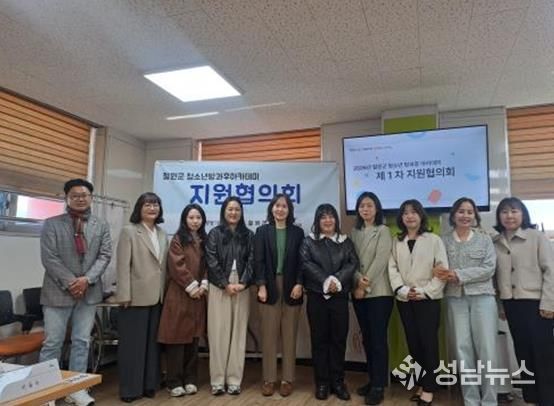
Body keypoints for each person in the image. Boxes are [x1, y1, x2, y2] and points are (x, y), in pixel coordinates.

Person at [39, 178, 112, 406]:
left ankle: (76, 389)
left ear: (91, 197)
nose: (80, 199)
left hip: (89, 292)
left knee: (82, 341)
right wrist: (73, 282)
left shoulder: (101, 224)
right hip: (57, 292)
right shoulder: (51, 224)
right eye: (75, 195)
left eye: (84, 195)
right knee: (53, 342)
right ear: (67, 198)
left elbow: (105, 255)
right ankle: (46, 392)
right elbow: (49, 258)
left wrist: (87, 280)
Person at [493, 197, 554, 406]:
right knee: (522, 352)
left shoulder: (536, 237)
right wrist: (501, 305)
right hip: (511, 304)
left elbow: (550, 271)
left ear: (523, 214)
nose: (509, 216)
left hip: (537, 303)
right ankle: (530, 398)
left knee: (543, 353)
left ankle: (548, 399)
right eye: (504, 212)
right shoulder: (496, 241)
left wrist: (549, 303)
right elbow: (496, 278)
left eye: (514, 211)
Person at [437, 197, 497, 406]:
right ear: (453, 215)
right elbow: (438, 267)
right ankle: (471, 400)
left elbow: (489, 268)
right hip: (455, 299)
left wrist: (459, 274)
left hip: (483, 298)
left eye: (470, 212)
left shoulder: (484, 239)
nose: (465, 216)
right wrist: (445, 274)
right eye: (461, 211)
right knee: (462, 350)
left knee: (487, 350)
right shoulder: (443, 240)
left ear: (475, 216)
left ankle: (490, 401)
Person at [388, 199, 447, 406]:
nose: (409, 216)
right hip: (405, 300)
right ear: (401, 218)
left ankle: (429, 389)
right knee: (413, 344)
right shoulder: (397, 241)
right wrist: (403, 290)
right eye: (405, 213)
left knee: (428, 343)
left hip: (427, 300)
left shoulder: (434, 240)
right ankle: (422, 383)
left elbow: (442, 270)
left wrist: (424, 292)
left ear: (421, 216)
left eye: (413, 212)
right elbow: (392, 268)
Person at [300, 203, 359, 401]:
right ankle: (322, 383)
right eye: (323, 217)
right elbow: (306, 263)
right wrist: (326, 281)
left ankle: (338, 382)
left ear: (336, 219)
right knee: (319, 341)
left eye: (331, 216)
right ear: (317, 221)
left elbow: (352, 263)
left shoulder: (345, 241)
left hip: (339, 298)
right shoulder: (308, 242)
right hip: (317, 297)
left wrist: (336, 281)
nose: (327, 220)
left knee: (338, 341)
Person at [113, 192, 168, 403]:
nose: (152, 208)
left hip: (157, 296)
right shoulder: (129, 231)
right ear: (139, 208)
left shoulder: (161, 233)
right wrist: (124, 294)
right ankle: (130, 389)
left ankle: (149, 385)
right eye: (148, 205)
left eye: (155, 205)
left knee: (152, 346)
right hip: (134, 297)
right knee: (132, 347)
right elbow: (122, 265)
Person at [254, 194, 304, 397]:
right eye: (277, 205)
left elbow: (302, 261)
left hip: (292, 287)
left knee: (290, 335)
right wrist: (261, 285)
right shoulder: (262, 232)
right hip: (269, 285)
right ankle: (269, 379)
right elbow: (258, 261)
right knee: (269, 335)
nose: (280, 209)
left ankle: (287, 379)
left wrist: (300, 283)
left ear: (289, 210)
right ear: (271, 209)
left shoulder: (298, 233)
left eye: (284, 206)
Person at [158, 204, 208, 397]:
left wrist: (203, 285)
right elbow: (176, 265)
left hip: (198, 296)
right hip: (179, 294)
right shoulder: (178, 239)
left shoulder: (204, 240)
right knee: (176, 340)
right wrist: (192, 286)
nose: (195, 221)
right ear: (184, 220)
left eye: (198, 218)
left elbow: (207, 265)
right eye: (191, 217)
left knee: (193, 341)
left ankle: (190, 379)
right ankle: (173, 381)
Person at [206, 196, 254, 396]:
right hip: (219, 286)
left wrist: (244, 283)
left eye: (237, 209)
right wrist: (225, 284)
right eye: (230, 209)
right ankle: (217, 381)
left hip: (242, 285)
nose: (233, 213)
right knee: (218, 333)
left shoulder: (249, 235)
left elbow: (252, 260)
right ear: (224, 212)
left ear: (241, 213)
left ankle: (234, 380)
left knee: (238, 334)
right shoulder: (214, 233)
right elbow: (211, 260)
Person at [350, 192, 393, 405]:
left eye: (369, 205)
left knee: (377, 339)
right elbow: (351, 260)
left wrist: (363, 286)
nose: (365, 209)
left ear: (377, 208)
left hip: (379, 293)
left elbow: (381, 261)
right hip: (358, 291)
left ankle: (379, 385)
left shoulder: (383, 231)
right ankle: (372, 378)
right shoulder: (354, 232)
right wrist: (358, 281)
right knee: (367, 338)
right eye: (362, 206)